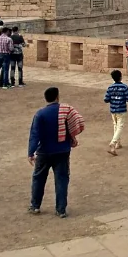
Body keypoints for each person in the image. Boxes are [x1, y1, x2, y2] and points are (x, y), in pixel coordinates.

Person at [27, 87, 85, 218]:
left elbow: (35, 135)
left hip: (44, 152)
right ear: (57, 97)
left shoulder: (40, 114)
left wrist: (31, 152)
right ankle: (61, 209)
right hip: (62, 150)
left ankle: (35, 206)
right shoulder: (65, 111)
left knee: (39, 178)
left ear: (45, 98)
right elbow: (74, 124)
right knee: (62, 179)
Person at [104, 70, 128, 156]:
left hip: (113, 109)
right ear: (120, 77)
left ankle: (118, 143)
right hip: (121, 110)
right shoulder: (124, 87)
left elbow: (106, 99)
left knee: (115, 125)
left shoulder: (110, 88)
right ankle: (113, 142)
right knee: (120, 126)